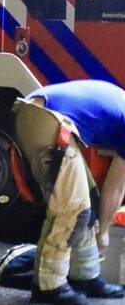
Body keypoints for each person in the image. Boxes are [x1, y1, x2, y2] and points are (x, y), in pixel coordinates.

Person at [14, 80, 125, 303]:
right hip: (46, 118)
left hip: (39, 114)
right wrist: (103, 232)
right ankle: (49, 287)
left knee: (87, 201)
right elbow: (116, 186)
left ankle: (85, 277)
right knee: (73, 208)